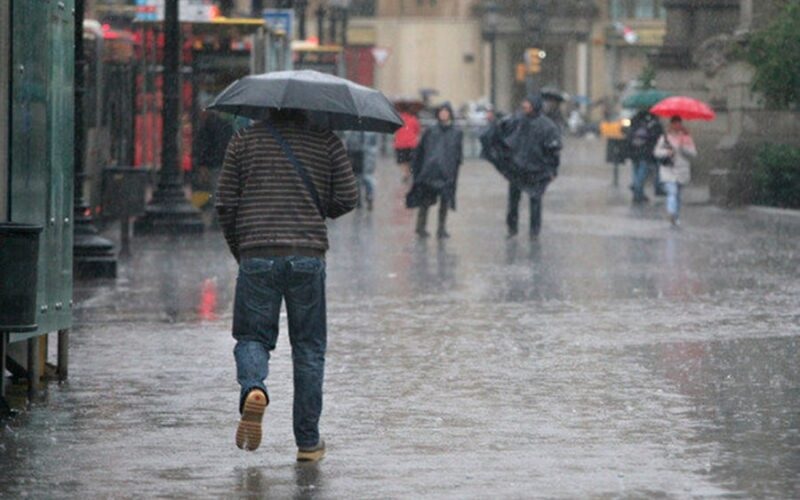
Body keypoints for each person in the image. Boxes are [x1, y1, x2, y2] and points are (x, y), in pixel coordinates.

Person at [215, 108, 358, 463]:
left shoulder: (243, 141)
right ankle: (308, 443)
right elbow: (348, 198)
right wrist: (313, 205)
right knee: (308, 348)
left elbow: (224, 203)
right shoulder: (327, 141)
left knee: (251, 337)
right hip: (307, 254)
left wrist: (242, 248)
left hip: (257, 252)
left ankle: (254, 388)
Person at [504, 94, 562, 239]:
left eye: (528, 105)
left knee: (535, 201)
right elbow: (506, 137)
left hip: (536, 170)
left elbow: (553, 150)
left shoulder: (546, 126)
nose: (525, 107)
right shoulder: (518, 121)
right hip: (517, 168)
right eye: (524, 104)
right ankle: (512, 229)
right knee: (513, 201)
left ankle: (534, 231)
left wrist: (553, 169)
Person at [406, 102, 463, 239]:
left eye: (446, 111)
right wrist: (419, 168)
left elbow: (457, 153)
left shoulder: (456, 132)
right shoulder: (431, 131)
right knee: (425, 201)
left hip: (446, 172)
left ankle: (441, 228)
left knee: (444, 202)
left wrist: (454, 168)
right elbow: (421, 150)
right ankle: (421, 227)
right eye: (441, 111)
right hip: (430, 171)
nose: (443, 114)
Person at [653, 116, 697, 227]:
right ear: (671, 124)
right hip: (668, 169)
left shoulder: (686, 138)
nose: (677, 126)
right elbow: (656, 152)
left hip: (682, 170)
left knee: (678, 195)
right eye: (674, 123)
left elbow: (693, 153)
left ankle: (676, 216)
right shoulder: (664, 138)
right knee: (672, 192)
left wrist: (683, 148)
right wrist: (666, 152)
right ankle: (671, 213)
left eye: (679, 123)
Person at [626, 109, 664, 204]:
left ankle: (638, 192)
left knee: (636, 172)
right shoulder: (653, 123)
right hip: (645, 152)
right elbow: (656, 137)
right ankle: (637, 190)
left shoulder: (634, 121)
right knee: (642, 173)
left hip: (633, 151)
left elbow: (628, 134)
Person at [344, 130, 380, 211]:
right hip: (366, 157)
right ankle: (368, 196)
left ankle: (360, 199)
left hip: (357, 156)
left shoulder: (351, 130)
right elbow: (374, 146)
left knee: (358, 178)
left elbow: (348, 144)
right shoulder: (371, 131)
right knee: (367, 178)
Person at [394, 109, 421, 183]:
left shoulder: (398, 119)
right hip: (411, 143)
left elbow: (394, 129)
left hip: (400, 143)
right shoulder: (414, 119)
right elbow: (417, 130)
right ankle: (408, 173)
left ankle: (405, 174)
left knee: (402, 161)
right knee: (410, 160)